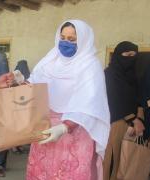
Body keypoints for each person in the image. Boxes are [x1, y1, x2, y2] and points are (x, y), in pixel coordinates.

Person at [19, 20, 110, 180]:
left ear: (83, 40)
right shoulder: (50, 60)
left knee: (69, 173)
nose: (65, 43)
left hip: (75, 131)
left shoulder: (90, 65)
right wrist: (20, 80)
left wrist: (64, 127)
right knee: (42, 171)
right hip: (45, 129)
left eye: (72, 39)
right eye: (62, 37)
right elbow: (36, 85)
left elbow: (91, 102)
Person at [103, 41, 145, 180]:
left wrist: (139, 118)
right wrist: (133, 119)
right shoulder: (109, 74)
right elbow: (113, 99)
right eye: (126, 54)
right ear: (117, 55)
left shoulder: (133, 76)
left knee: (126, 157)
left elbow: (137, 98)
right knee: (112, 157)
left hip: (133, 123)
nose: (130, 58)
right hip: (116, 121)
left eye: (133, 55)